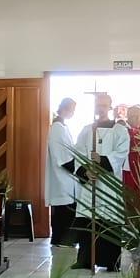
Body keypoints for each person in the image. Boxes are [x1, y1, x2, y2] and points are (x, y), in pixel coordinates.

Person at [73, 93, 130, 272]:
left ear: (110, 107)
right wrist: (85, 170)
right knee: (87, 219)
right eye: (98, 105)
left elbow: (121, 153)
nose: (101, 109)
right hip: (90, 184)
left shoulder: (119, 130)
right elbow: (78, 153)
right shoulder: (86, 129)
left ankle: (110, 261)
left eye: (104, 105)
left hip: (109, 184)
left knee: (109, 219)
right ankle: (84, 260)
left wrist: (103, 160)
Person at [47, 98, 77, 246]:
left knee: (66, 208)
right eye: (72, 109)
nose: (73, 112)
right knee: (63, 209)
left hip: (66, 175)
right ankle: (61, 239)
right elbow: (60, 153)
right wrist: (76, 167)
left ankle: (64, 238)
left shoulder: (63, 126)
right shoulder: (57, 127)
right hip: (62, 174)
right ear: (65, 108)